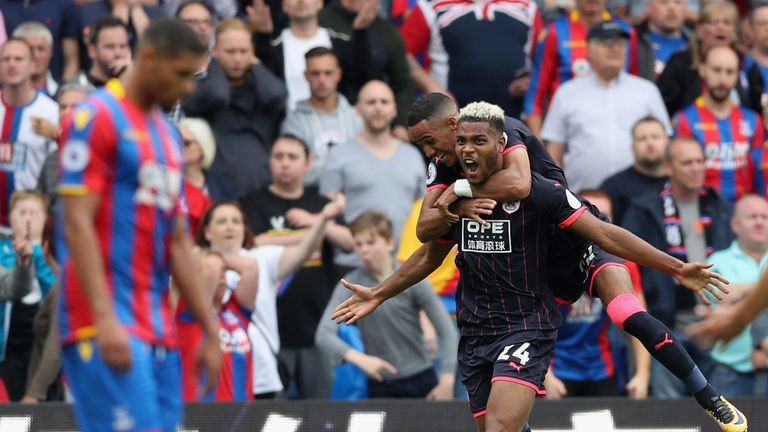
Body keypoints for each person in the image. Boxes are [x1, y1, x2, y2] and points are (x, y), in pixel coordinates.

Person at [332, 103, 745, 432]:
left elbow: (606, 234)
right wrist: (381, 292)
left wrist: (676, 268)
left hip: (573, 250)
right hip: (504, 304)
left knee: (625, 312)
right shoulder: (448, 176)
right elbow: (427, 243)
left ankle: (707, 395)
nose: (451, 151)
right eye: (459, 144)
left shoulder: (533, 184)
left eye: (476, 141)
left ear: (499, 142)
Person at [56, 20, 220, 432]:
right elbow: (77, 224)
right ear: (149, 59)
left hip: (157, 325)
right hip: (105, 319)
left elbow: (178, 240)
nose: (189, 88)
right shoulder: (94, 116)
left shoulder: (167, 134)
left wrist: (208, 329)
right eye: (182, 74)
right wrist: (104, 317)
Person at [239, 135, 354, 398]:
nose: (285, 164)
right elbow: (255, 243)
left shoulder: (318, 204)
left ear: (308, 163)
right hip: (271, 328)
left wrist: (315, 219)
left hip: (317, 326)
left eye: (292, 157)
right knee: (274, 416)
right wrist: (318, 227)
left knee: (321, 415)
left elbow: (350, 242)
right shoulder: (252, 202)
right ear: (269, 162)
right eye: (278, 157)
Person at [196, 199, 343, 399]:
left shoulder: (261, 258)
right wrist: (203, 262)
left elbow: (303, 252)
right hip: (209, 372)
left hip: (260, 372)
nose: (230, 226)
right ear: (206, 231)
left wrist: (323, 219)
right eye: (221, 221)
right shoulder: (192, 269)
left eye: (236, 221)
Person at [622, 136, 734, 399]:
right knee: (669, 408)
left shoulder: (719, 206)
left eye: (699, 161)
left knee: (720, 402)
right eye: (687, 163)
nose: (696, 168)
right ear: (669, 167)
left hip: (714, 320)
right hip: (666, 321)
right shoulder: (644, 209)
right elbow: (629, 264)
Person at [317, 211, 457, 399]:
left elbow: (447, 330)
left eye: (371, 242)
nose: (364, 250)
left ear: (390, 243)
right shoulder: (351, 284)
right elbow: (323, 334)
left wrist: (447, 377)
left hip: (421, 380)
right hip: (380, 384)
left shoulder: (412, 277)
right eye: (358, 244)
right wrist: (361, 360)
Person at [544, 189, 651, 399]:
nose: (598, 223)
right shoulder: (553, 260)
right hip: (556, 368)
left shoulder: (623, 264)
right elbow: (534, 323)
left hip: (600, 369)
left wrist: (642, 375)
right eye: (590, 215)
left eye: (604, 216)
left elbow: (641, 322)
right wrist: (546, 376)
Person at [541, 20, 670, 192]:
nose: (616, 48)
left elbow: (666, 144)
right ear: (589, 50)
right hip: (583, 197)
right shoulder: (567, 93)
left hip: (641, 197)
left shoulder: (647, 91)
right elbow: (554, 152)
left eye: (621, 43)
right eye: (608, 43)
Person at [320, 80, 425, 272]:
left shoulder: (413, 155)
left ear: (394, 109)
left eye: (384, 102)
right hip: (353, 265)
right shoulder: (338, 155)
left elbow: (424, 209)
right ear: (358, 109)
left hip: (405, 266)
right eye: (371, 102)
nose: (378, 108)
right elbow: (325, 212)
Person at [182, 18, 287, 197]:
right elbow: (218, 95)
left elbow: (277, 96)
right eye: (230, 52)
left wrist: (255, 66)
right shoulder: (201, 88)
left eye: (243, 51)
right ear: (214, 51)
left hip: (261, 184)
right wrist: (213, 65)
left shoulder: (261, 88)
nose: (237, 59)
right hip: (220, 187)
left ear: (252, 52)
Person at [400, 0, 543, 118]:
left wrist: (532, 81)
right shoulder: (431, 6)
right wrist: (431, 86)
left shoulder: (527, 7)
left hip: (514, 119)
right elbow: (400, 53)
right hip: (451, 121)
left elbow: (545, 58)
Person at [524, 0, 637, 135]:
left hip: (617, 129)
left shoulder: (626, 32)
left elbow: (634, 85)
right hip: (565, 132)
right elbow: (534, 95)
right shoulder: (555, 31)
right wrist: (539, 146)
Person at [673, 45, 764, 203]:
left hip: (744, 212)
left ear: (737, 75)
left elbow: (759, 174)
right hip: (703, 208)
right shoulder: (684, 120)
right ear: (703, 70)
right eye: (716, 70)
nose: (722, 79)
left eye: (730, 72)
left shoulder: (753, 120)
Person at [702, 194, 768, 398]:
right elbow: (725, 296)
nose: (759, 222)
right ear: (735, 224)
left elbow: (735, 294)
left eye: (765, 217)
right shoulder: (716, 261)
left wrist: (743, 290)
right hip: (730, 371)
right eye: (752, 217)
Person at [177, 249, 258, 401]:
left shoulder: (235, 312)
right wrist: (202, 259)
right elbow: (212, 267)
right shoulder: (190, 312)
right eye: (217, 275)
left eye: (224, 272)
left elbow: (251, 267)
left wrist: (215, 258)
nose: (222, 278)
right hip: (199, 416)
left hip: (243, 415)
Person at [0, 190, 55, 401]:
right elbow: (12, 288)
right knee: (12, 421)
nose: (28, 219)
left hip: (45, 352)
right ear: (10, 217)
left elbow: (57, 293)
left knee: (45, 419)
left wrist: (38, 252)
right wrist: (22, 260)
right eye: (22, 212)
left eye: (34, 213)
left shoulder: (56, 252)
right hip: (8, 353)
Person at [0, 38, 59, 233]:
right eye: (6, 59)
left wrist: (58, 134)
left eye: (19, 58)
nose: (12, 64)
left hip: (33, 227)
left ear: (33, 65)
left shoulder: (51, 112)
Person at [281, 47, 363, 186]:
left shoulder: (357, 117)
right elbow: (296, 174)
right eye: (315, 73)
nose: (321, 79)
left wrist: (315, 164)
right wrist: (350, 162)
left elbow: (368, 165)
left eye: (328, 73)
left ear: (338, 74)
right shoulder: (294, 122)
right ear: (306, 76)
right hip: (311, 201)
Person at [656, 0, 740, 117]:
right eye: (713, 22)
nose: (721, 27)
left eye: (727, 22)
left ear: (734, 31)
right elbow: (662, 107)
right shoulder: (681, 63)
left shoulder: (744, 63)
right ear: (699, 30)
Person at [600, 116, 670, 226]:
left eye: (655, 137)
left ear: (668, 142)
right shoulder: (613, 187)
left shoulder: (680, 180)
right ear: (632, 147)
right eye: (642, 138)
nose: (650, 143)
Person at [634, 0, 691, 80]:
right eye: (663, 2)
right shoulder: (631, 41)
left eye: (677, 2)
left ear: (686, 8)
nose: (671, 8)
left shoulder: (695, 46)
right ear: (648, 7)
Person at [75, 16, 134, 90]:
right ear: (92, 51)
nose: (118, 53)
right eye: (110, 47)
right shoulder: (76, 89)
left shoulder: (136, 86)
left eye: (123, 46)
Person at [11, 22, 59, 96]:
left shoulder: (66, 93)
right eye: (29, 49)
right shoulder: (3, 96)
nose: (36, 55)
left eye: (41, 49)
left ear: (50, 52)